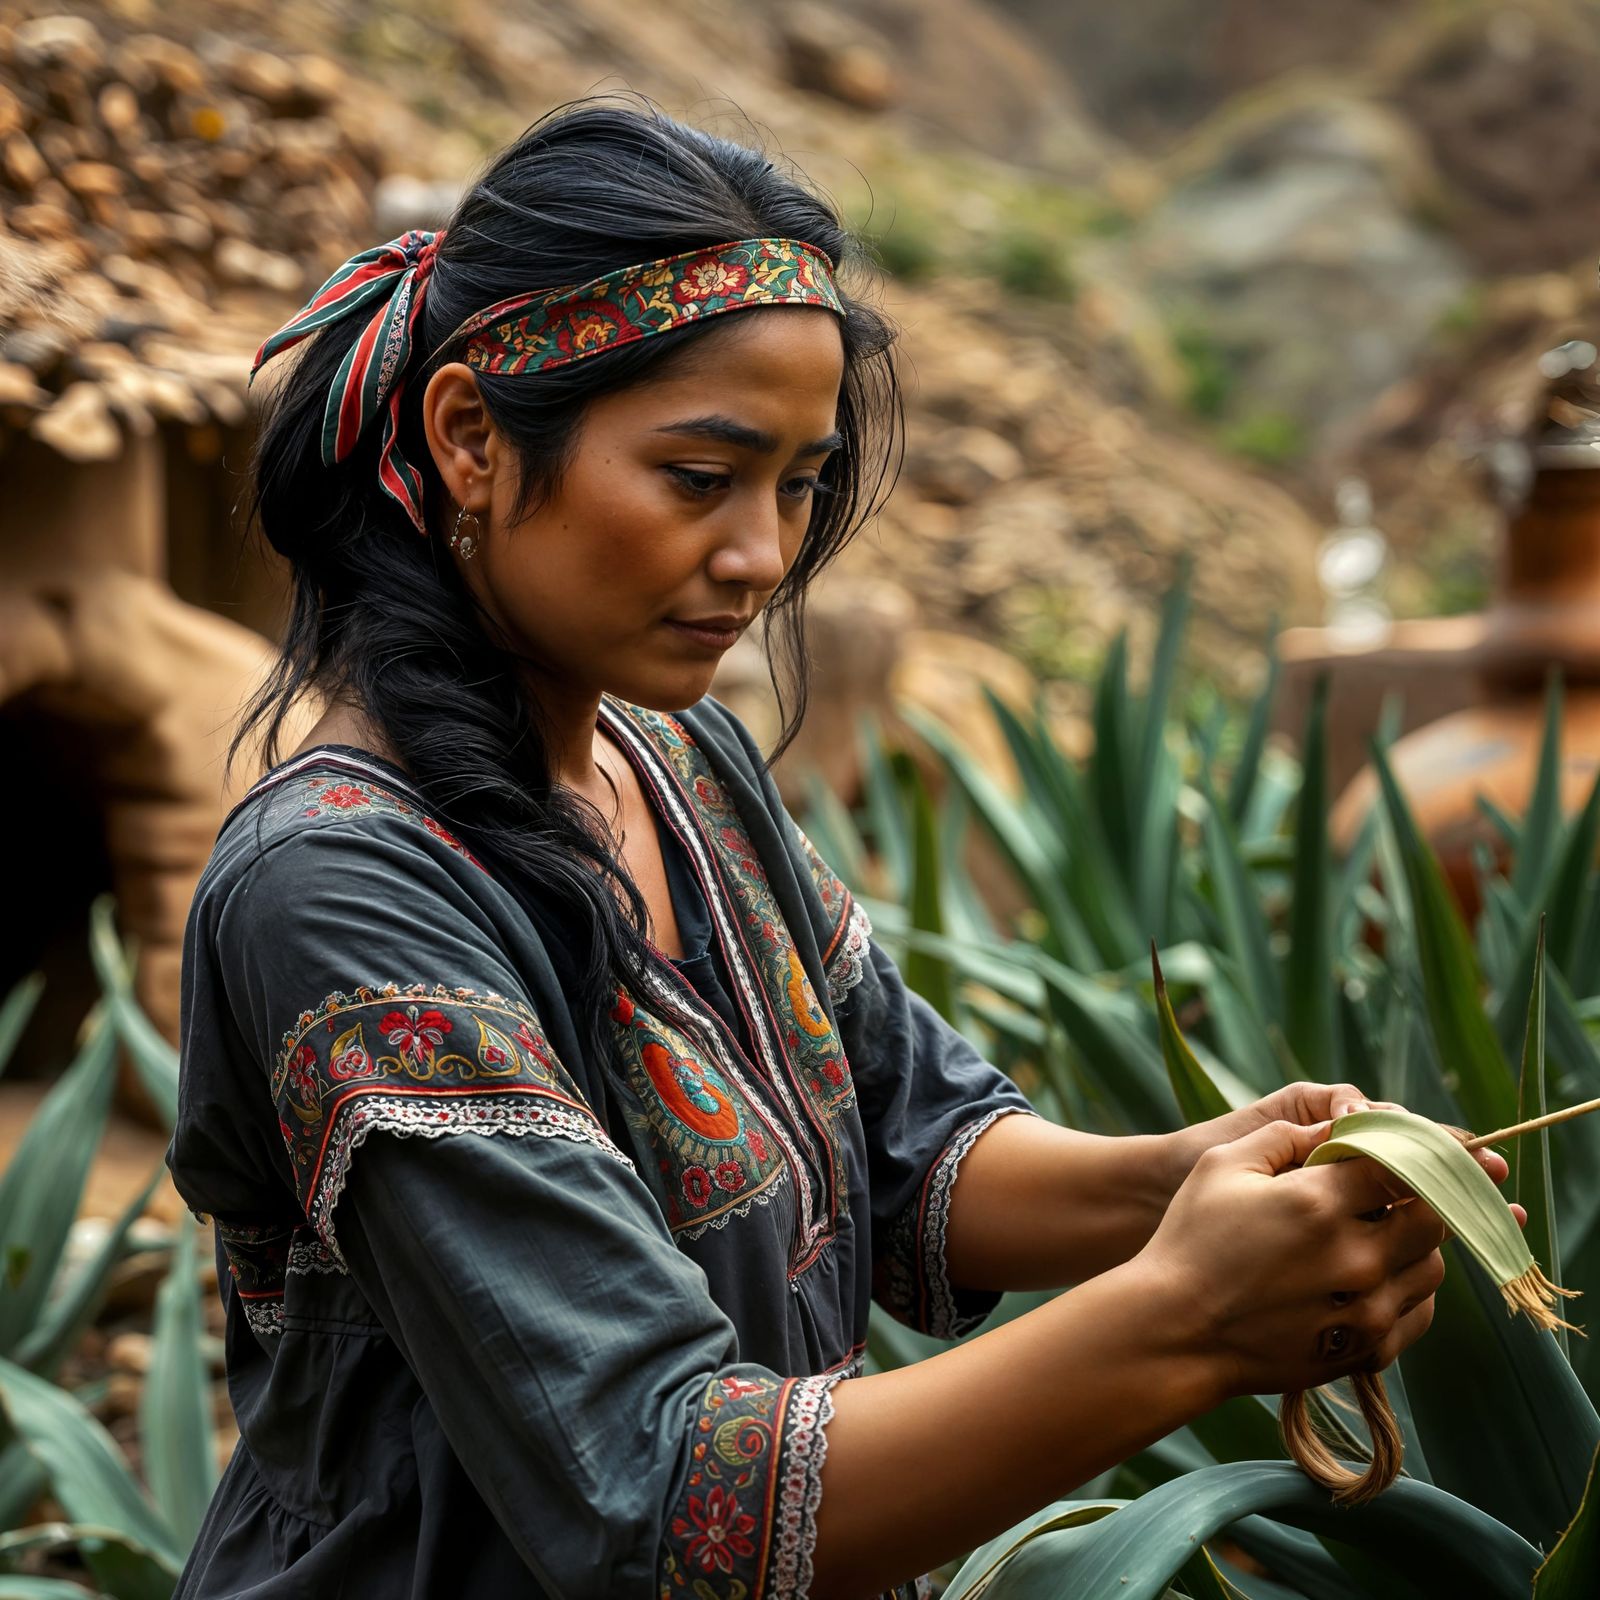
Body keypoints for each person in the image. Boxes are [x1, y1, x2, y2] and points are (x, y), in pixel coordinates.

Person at [166, 96, 1521, 1600]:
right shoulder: (343, 890)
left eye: (800, 483)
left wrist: (1196, 1172)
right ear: (472, 438)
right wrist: (1194, 1315)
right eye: (699, 476)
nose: (762, 555)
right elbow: (660, 1493)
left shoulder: (675, 763)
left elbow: (908, 1140)